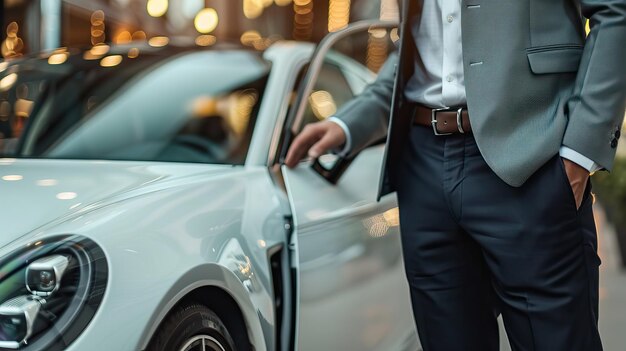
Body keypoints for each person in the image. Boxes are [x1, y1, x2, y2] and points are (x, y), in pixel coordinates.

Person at [285, 1, 626, 350]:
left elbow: (616, 12)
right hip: (424, 168)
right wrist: (346, 124)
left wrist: (579, 154)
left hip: (532, 159)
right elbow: (420, 52)